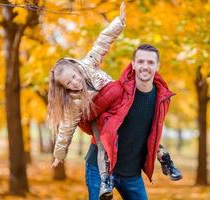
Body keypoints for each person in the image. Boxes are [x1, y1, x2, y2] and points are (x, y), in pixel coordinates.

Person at [48, 4, 182, 200]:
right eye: (69, 83)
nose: (75, 83)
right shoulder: (75, 103)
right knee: (103, 137)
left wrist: (119, 23)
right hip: (99, 128)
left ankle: (165, 158)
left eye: (75, 77)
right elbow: (66, 128)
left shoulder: (91, 66)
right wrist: (59, 154)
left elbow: (101, 43)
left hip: (128, 162)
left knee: (148, 132)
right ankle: (105, 179)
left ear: (77, 69)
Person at [80, 44, 182, 200]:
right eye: (140, 62)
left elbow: (150, 132)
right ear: (133, 64)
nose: (145, 66)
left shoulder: (162, 99)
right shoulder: (115, 90)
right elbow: (86, 116)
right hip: (100, 170)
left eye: (150, 62)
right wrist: (103, 136)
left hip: (132, 173)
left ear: (157, 66)